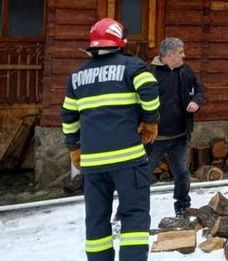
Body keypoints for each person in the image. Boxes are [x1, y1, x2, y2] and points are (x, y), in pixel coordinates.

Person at [61, 18, 160, 261]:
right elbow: (149, 90)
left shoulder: (77, 76)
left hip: (93, 164)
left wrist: (74, 147)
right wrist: (150, 121)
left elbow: (68, 115)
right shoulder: (133, 67)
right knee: (134, 217)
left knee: (96, 220)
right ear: (120, 42)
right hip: (129, 159)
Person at [145, 37, 204, 217]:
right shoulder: (149, 73)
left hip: (179, 137)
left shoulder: (185, 71)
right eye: (180, 52)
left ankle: (183, 207)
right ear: (170, 55)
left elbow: (199, 90)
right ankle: (127, 211)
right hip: (154, 138)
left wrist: (196, 101)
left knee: (182, 174)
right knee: (140, 176)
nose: (184, 55)